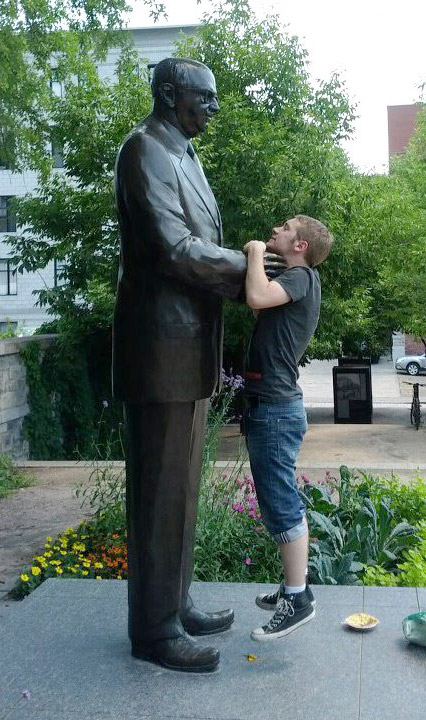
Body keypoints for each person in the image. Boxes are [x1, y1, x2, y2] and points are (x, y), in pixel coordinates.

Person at [113, 58, 282, 673]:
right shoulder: (143, 150)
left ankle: (175, 603)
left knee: (181, 490)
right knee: (159, 493)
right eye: (202, 98)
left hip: (189, 350)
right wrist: (254, 272)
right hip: (158, 349)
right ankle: (153, 631)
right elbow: (172, 248)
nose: (213, 108)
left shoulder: (182, 152)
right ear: (167, 95)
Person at [242, 215, 333, 641]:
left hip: (276, 408)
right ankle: (293, 588)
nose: (275, 229)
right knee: (280, 499)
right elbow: (260, 295)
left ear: (300, 246)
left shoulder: (303, 278)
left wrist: (257, 252)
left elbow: (256, 297)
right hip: (273, 405)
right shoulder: (297, 278)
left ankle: (297, 599)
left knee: (280, 503)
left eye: (285, 227)